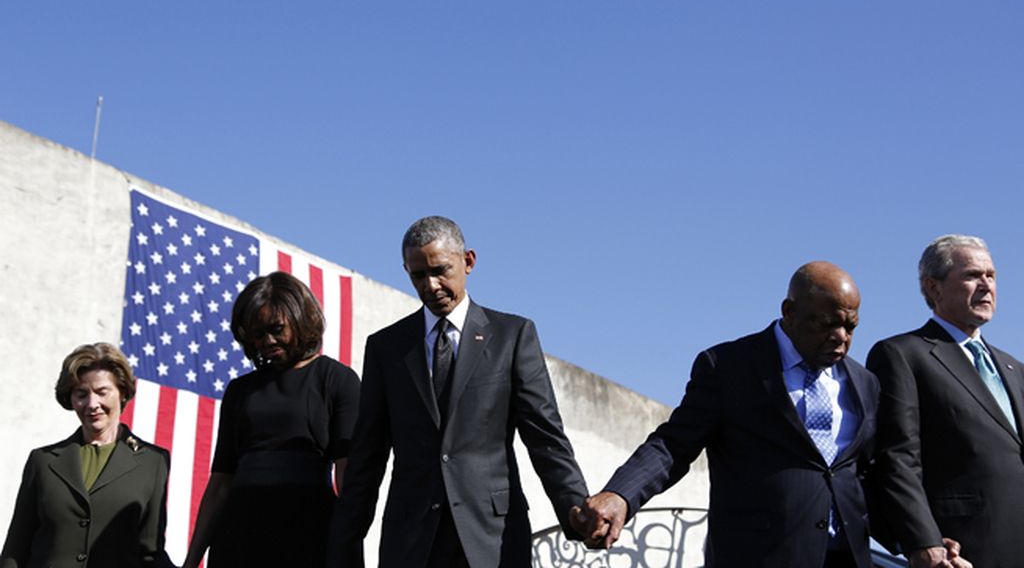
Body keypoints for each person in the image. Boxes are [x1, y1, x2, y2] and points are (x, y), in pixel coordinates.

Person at [575, 262, 880, 568]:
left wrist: (920, 537)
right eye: (827, 323)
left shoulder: (864, 383)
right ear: (789, 311)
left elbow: (870, 470)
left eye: (851, 326)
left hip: (848, 558)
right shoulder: (728, 367)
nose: (841, 336)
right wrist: (620, 494)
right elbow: (673, 445)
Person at [328, 216, 588, 568]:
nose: (431, 285)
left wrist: (574, 505)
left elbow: (545, 437)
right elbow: (368, 455)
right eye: (418, 276)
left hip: (492, 538)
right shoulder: (386, 348)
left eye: (441, 270)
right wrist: (344, 542)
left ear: (468, 261)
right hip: (411, 541)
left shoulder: (512, 336)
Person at [182, 271, 360, 568]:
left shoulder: (338, 380)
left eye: (276, 329)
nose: (267, 340)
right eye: (257, 333)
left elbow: (349, 477)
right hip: (239, 537)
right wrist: (191, 561)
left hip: (310, 533)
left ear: (300, 319)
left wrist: (349, 549)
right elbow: (220, 484)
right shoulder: (239, 391)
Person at [867, 235, 1022, 568]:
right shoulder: (903, 355)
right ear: (934, 288)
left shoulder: (1014, 368)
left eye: (991, 276)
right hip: (960, 550)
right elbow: (897, 458)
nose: (986, 285)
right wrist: (923, 540)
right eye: (972, 275)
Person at [0, 342, 172, 568]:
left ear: (122, 392)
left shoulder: (153, 462)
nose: (92, 404)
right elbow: (16, 547)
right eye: (81, 394)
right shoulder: (43, 461)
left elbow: (150, 551)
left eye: (102, 392)